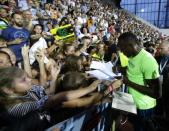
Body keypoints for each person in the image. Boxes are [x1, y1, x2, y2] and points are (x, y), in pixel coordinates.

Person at [117, 32, 161, 131]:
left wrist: (128, 83)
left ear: (130, 45)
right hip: (131, 101)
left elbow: (156, 93)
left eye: (123, 49)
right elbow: (133, 71)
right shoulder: (132, 56)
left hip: (143, 107)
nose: (122, 53)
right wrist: (120, 68)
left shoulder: (147, 60)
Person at [156, 40, 169, 119]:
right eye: (158, 48)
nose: (159, 50)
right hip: (157, 87)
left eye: (161, 48)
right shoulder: (158, 58)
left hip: (166, 90)